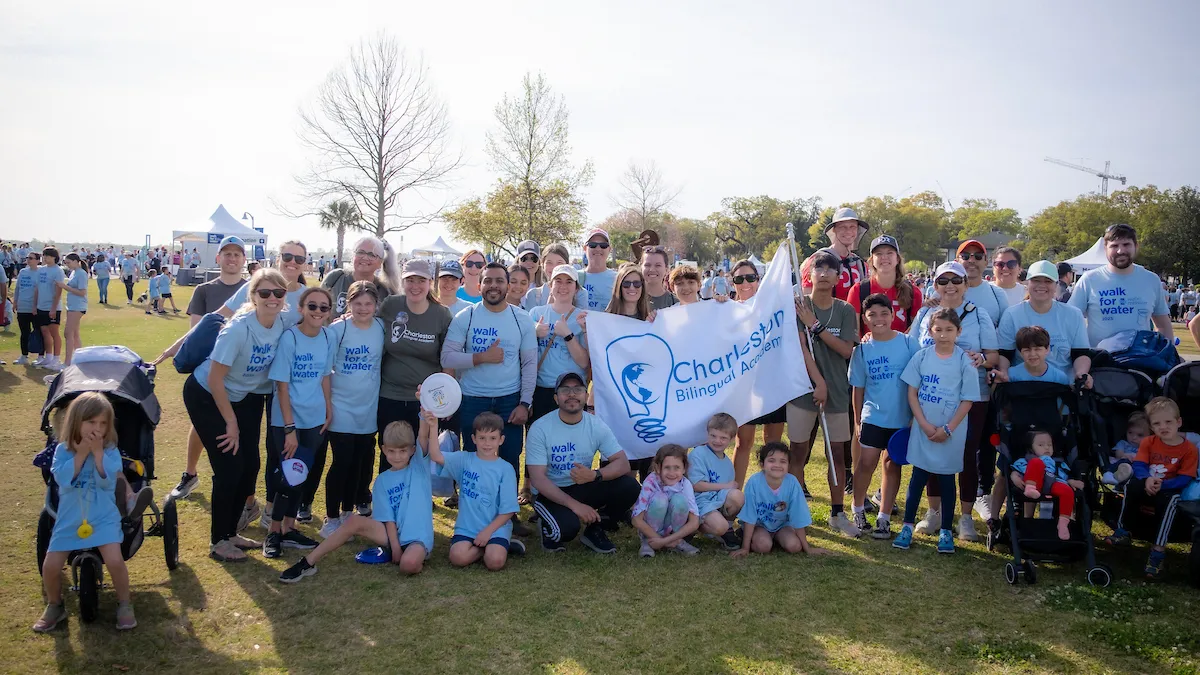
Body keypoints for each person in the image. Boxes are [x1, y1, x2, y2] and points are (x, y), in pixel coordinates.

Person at [182, 268, 287, 562]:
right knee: (229, 466)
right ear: (252, 296)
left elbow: (314, 321)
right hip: (206, 394)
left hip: (244, 396)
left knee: (250, 464)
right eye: (264, 293)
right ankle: (218, 541)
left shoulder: (282, 322)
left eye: (278, 293)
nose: (272, 298)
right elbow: (215, 379)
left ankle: (230, 533)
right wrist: (230, 422)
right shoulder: (238, 328)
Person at [34, 393, 147, 632]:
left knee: (115, 560)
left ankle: (125, 604)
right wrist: (81, 453)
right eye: (91, 422)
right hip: (70, 518)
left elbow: (108, 481)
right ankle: (56, 605)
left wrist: (97, 454)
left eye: (103, 423)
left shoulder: (110, 450)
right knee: (50, 566)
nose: (98, 428)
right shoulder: (63, 450)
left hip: (102, 515)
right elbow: (63, 478)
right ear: (76, 421)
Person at [279, 418, 434, 583]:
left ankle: (416, 556)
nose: (397, 456)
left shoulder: (419, 467)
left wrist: (425, 404)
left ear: (412, 450)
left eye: (403, 451)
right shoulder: (382, 480)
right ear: (384, 449)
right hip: (393, 535)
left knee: (408, 565)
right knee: (353, 521)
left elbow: (424, 434)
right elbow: (388, 519)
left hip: (418, 538)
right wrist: (395, 547)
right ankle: (308, 562)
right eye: (392, 451)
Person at [908, 261, 997, 542]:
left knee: (966, 454)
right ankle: (934, 513)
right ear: (935, 285)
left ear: (966, 284)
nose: (950, 286)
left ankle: (966, 517)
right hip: (931, 395)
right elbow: (910, 346)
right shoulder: (925, 313)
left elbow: (992, 355)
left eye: (956, 280)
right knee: (933, 451)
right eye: (943, 281)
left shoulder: (978, 314)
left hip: (971, 398)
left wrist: (982, 359)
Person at [893, 307, 979, 554]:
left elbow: (968, 400)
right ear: (930, 330)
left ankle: (945, 531)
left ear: (958, 331)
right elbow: (911, 392)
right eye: (938, 329)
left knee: (946, 480)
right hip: (923, 431)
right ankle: (907, 526)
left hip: (951, 434)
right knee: (918, 478)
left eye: (949, 330)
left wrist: (948, 429)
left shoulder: (964, 361)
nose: (943, 335)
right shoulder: (922, 356)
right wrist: (923, 424)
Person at [526, 372, 641, 554]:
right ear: (556, 398)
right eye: (566, 390)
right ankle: (547, 526)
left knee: (630, 487)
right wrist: (575, 506)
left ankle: (596, 529)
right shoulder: (540, 428)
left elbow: (622, 463)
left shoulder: (596, 425)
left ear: (586, 396)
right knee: (565, 531)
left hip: (583, 484)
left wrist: (596, 474)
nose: (572, 394)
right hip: (550, 492)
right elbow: (538, 479)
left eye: (578, 390)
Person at [260, 287, 334, 559]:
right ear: (301, 308)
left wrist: (328, 408)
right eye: (312, 306)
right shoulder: (290, 338)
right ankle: (273, 532)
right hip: (287, 420)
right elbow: (281, 384)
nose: (317, 312)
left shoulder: (328, 335)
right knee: (285, 477)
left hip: (315, 419)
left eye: (323, 308)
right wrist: (289, 428)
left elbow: (325, 375)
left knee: (300, 474)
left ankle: (289, 528)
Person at [789, 251, 859, 536]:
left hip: (838, 391)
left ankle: (837, 513)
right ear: (810, 273)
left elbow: (845, 350)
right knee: (797, 451)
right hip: (803, 391)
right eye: (820, 268)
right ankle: (793, 511)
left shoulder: (844, 310)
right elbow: (801, 349)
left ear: (839, 276)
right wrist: (818, 382)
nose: (825, 273)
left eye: (832, 269)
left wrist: (815, 326)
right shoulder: (798, 305)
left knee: (838, 455)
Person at [847, 294, 920, 539]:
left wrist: (914, 416)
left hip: (902, 418)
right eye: (872, 315)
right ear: (865, 319)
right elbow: (858, 388)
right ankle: (857, 508)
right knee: (866, 463)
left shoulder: (909, 344)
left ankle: (884, 517)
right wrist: (858, 420)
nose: (879, 319)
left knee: (892, 465)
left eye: (884, 313)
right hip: (873, 417)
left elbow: (918, 382)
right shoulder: (862, 350)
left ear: (893, 315)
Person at [1104, 397, 1198, 579]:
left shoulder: (1189, 450)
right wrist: (1146, 479)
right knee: (1131, 484)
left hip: (1170, 487)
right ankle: (1123, 530)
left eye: (1168, 422)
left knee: (1173, 500)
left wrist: (1163, 484)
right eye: (1157, 423)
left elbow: (1185, 477)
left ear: (1179, 422)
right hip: (1147, 482)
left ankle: (1158, 551)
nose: (1163, 427)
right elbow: (1139, 465)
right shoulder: (1148, 442)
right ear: (1152, 427)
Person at [322, 281, 385, 538]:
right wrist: (327, 405)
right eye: (357, 303)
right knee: (341, 462)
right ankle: (331, 517)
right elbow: (325, 371)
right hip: (341, 406)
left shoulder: (381, 327)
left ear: (375, 306)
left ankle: (348, 512)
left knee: (359, 464)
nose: (363, 308)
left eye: (368, 303)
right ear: (349, 304)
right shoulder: (338, 329)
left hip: (368, 408)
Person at [429, 411, 524, 569]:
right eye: (482, 438)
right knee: (457, 558)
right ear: (474, 439)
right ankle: (483, 549)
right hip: (468, 527)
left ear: (501, 440)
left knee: (494, 562)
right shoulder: (464, 460)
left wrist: (487, 533)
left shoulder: (505, 469)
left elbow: (508, 510)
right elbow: (435, 455)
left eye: (492, 438)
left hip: (495, 528)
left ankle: (499, 545)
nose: (487, 443)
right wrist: (433, 426)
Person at [730, 259, 795, 485]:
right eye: (739, 279)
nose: (745, 283)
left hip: (771, 384)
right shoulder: (727, 311)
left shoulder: (771, 307)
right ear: (733, 282)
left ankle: (769, 495)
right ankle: (734, 496)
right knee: (743, 442)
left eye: (750, 278)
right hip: (743, 387)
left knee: (772, 445)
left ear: (759, 280)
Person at [1067, 224, 1173, 348]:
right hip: (1100, 361)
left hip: (1140, 360)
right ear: (1105, 248)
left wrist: (1169, 353)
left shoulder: (1151, 280)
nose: (1120, 251)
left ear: (1136, 246)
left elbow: (1163, 325)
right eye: (1114, 246)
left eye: (1126, 244)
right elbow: (1069, 320)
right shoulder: (1089, 280)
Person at [730, 441, 821, 557]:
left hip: (782, 525)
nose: (777, 465)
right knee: (763, 546)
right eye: (771, 460)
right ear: (762, 464)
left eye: (783, 461)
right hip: (760, 525)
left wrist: (807, 548)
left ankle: (779, 537)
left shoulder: (792, 482)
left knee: (794, 547)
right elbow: (750, 515)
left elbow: (798, 514)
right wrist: (745, 548)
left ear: (788, 465)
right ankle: (752, 536)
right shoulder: (754, 482)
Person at [529, 264, 589, 422]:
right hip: (542, 389)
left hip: (572, 390)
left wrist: (568, 335)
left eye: (569, 282)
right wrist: (533, 333)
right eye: (558, 281)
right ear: (550, 286)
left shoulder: (582, 318)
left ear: (576, 288)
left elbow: (584, 362)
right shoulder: (536, 313)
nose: (563, 286)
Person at [1011, 428, 1084, 540]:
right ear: (1031, 448)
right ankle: (1030, 489)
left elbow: (1063, 476)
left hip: (1052, 483)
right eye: (1041, 445)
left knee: (1067, 491)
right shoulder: (1027, 460)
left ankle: (1063, 523)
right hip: (1035, 483)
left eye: (1049, 445)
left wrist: (1071, 481)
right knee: (1037, 462)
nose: (1046, 447)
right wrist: (1014, 476)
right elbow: (1016, 471)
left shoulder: (1057, 463)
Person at [687, 413, 745, 549]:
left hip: (716, 500)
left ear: (731, 439)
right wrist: (725, 486)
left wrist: (730, 488)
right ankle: (695, 527)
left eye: (723, 438)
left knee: (738, 495)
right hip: (699, 502)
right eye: (713, 436)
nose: (717, 441)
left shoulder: (727, 463)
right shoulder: (698, 453)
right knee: (720, 526)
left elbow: (729, 491)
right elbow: (696, 485)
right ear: (707, 434)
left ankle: (728, 530)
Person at [631, 444, 701, 557]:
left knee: (680, 500)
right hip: (651, 529)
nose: (672, 473)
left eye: (677, 468)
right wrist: (657, 538)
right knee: (660, 499)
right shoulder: (651, 482)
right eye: (667, 467)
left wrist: (664, 542)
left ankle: (677, 541)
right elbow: (636, 519)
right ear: (658, 468)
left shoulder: (685, 484)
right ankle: (648, 541)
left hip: (674, 533)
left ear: (684, 469)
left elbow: (694, 522)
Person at [800, 207, 869, 301]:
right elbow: (807, 301)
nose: (848, 231)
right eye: (843, 227)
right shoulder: (817, 261)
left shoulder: (860, 264)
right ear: (834, 230)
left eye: (852, 227)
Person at [323, 235, 397, 316]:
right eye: (360, 252)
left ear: (380, 263)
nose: (365, 257)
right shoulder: (335, 278)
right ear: (353, 256)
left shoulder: (385, 291)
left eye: (372, 255)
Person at [953, 240, 1009, 328]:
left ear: (986, 262)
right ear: (956, 262)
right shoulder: (944, 292)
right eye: (965, 256)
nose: (971, 260)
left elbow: (1005, 330)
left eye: (978, 256)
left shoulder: (998, 294)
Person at [522, 242, 588, 309]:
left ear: (567, 264)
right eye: (549, 263)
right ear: (542, 264)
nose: (554, 267)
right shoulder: (533, 295)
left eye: (559, 263)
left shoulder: (580, 293)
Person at [32, 246, 65, 371]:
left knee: (54, 333)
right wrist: (35, 305)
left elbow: (58, 291)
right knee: (45, 332)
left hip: (53, 307)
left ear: (54, 257)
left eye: (48, 256)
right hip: (41, 306)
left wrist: (53, 308)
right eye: (44, 255)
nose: (45, 258)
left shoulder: (58, 271)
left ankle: (56, 359)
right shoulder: (41, 270)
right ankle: (49, 357)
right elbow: (37, 288)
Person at [1005, 327, 1072, 385]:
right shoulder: (1011, 375)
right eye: (1027, 350)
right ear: (1020, 352)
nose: (1032, 354)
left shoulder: (1059, 378)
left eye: (1037, 349)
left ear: (1047, 349)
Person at [55, 253, 88, 368]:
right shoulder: (74, 272)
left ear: (75, 261)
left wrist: (65, 287)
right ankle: (81, 360)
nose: (67, 265)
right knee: (74, 334)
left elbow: (82, 292)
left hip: (78, 306)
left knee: (68, 333)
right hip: (72, 306)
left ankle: (67, 362)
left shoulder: (81, 274)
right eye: (65, 263)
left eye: (68, 262)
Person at [1101, 411, 1145, 486]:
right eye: (1130, 433)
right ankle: (1110, 474)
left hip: (1137, 466)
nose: (1134, 437)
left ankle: (1128, 476)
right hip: (1122, 463)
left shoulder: (1146, 447)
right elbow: (1118, 454)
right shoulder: (1123, 443)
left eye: (1139, 435)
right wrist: (1125, 455)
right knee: (1124, 461)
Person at [13, 250, 40, 365]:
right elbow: (18, 288)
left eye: (31, 258)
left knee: (38, 332)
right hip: (22, 306)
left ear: (38, 261)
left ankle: (40, 356)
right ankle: (24, 356)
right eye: (28, 257)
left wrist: (36, 306)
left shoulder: (41, 272)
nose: (28, 260)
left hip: (35, 307)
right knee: (24, 332)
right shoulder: (23, 272)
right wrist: (15, 301)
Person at [580, 228, 617, 311]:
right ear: (585, 248)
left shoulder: (618, 279)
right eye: (592, 245)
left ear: (609, 250)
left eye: (603, 246)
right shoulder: (574, 277)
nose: (598, 249)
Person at [641, 245, 678, 310]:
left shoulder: (675, 303)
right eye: (647, 265)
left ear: (666, 270)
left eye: (658, 265)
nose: (652, 269)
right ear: (640, 268)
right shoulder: (631, 299)